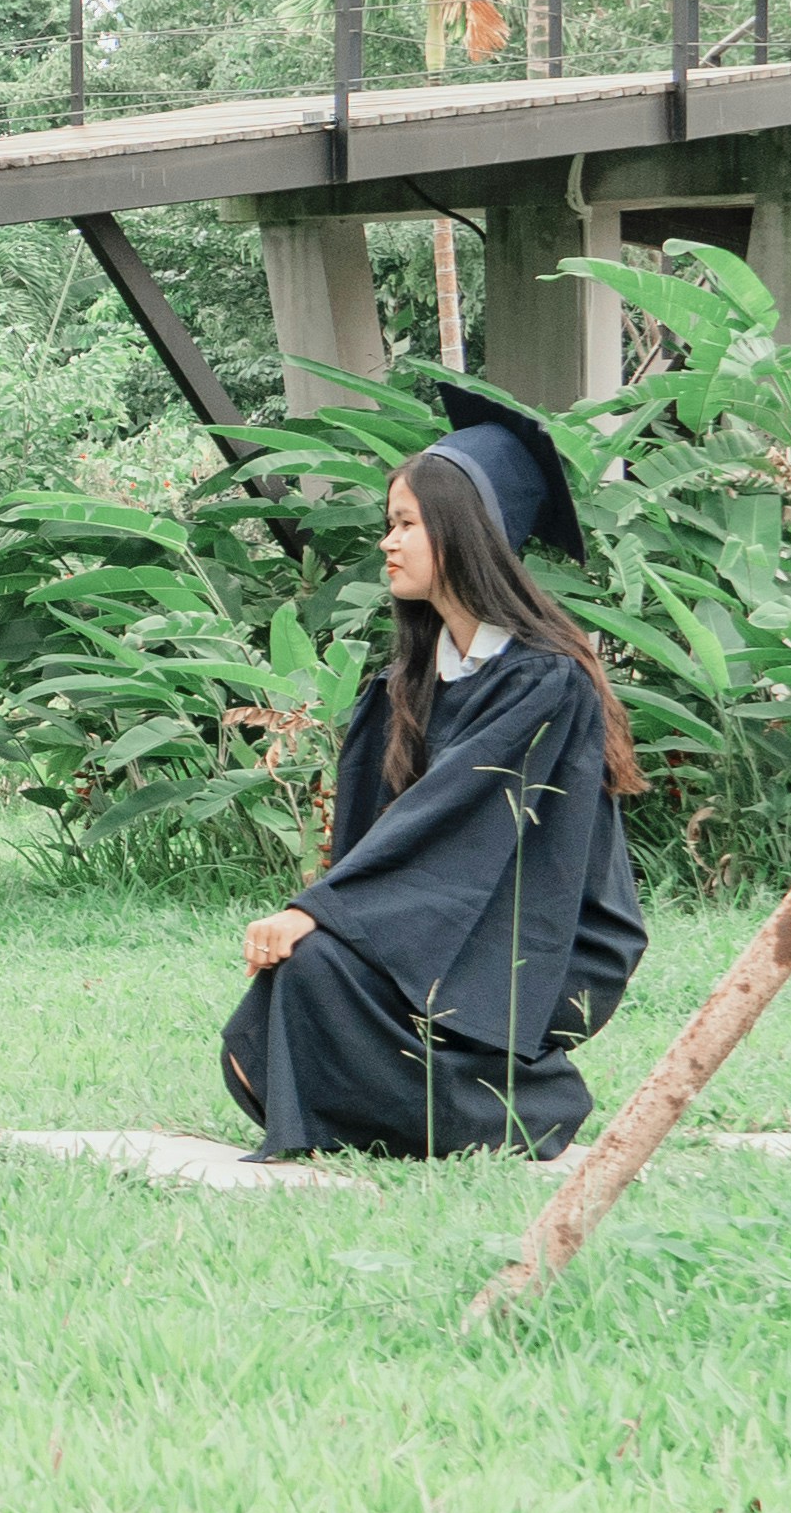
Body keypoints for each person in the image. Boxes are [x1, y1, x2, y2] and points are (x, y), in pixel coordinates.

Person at [224, 394, 648, 1160]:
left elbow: (461, 825)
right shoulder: (405, 688)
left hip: (529, 934)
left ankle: (524, 1104)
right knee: (275, 1018)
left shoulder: (546, 683)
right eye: (390, 524)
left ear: (467, 534)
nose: (388, 543)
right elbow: (374, 835)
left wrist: (324, 912)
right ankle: (434, 1112)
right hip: (435, 919)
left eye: (407, 524)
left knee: (316, 965)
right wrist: (338, 915)